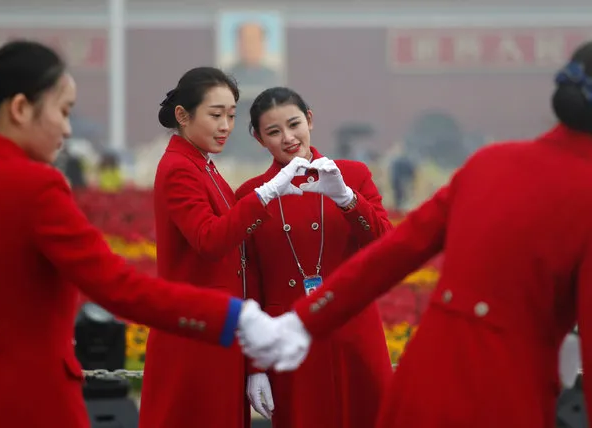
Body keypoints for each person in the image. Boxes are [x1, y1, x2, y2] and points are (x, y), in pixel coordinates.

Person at [241, 41, 592, 428]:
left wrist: (297, 322)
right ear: (259, 137)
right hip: (509, 395)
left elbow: (388, 253)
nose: (289, 137)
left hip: (423, 383)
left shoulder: (490, 163)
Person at [0, 40, 277, 428]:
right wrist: (233, 317)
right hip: (28, 399)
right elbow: (119, 286)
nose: (68, 129)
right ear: (20, 109)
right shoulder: (35, 186)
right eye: (63, 111)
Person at [138, 69, 310, 428]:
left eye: (231, 115)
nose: (226, 125)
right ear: (183, 116)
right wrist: (265, 194)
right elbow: (210, 239)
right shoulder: (179, 168)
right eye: (215, 115)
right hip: (196, 333)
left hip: (220, 330)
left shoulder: (203, 166)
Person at [235, 87, 394, 428]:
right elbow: (251, 284)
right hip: (289, 339)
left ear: (309, 119)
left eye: (294, 124)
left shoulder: (352, 175)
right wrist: (256, 367)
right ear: (259, 138)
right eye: (273, 132)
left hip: (355, 331)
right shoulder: (251, 195)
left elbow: (387, 245)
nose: (289, 139)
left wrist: (348, 199)